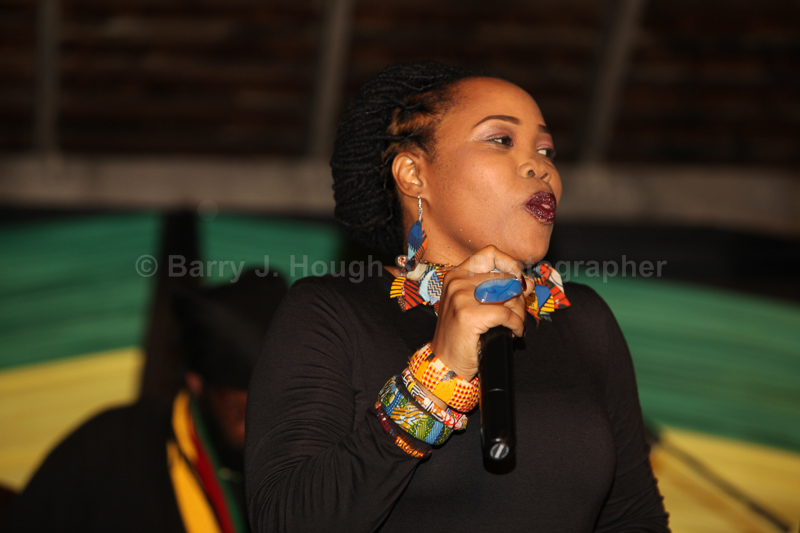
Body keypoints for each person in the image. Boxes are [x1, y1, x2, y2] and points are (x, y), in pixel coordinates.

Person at [245, 61, 669, 532]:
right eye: (501, 140)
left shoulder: (583, 320)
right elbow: (284, 521)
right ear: (413, 174)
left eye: (546, 149)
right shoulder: (331, 313)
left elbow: (634, 519)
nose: (540, 166)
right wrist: (436, 379)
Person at [3, 268, 287, 533]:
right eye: (240, 410)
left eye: (281, 407)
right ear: (197, 382)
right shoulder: (109, 449)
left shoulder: (305, 461)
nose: (264, 427)